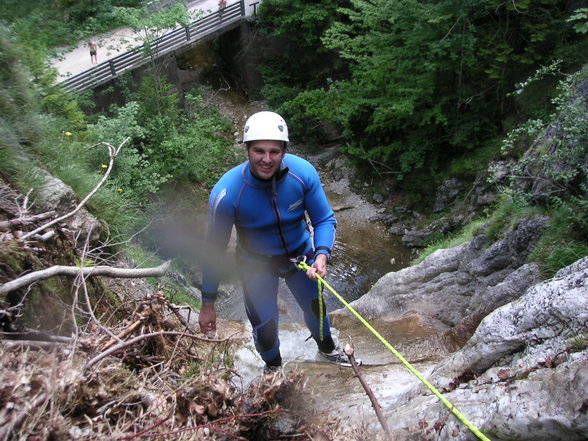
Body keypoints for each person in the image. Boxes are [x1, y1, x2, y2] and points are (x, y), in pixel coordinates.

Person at [199, 111, 351, 372]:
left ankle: (327, 350)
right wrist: (208, 304)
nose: (266, 159)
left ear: (284, 150)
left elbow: (324, 219)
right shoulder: (227, 193)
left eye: (274, 151)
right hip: (255, 264)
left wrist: (322, 255)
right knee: (265, 327)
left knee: (317, 310)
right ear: (246, 149)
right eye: (259, 151)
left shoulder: (302, 174)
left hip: (302, 256)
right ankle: (273, 369)